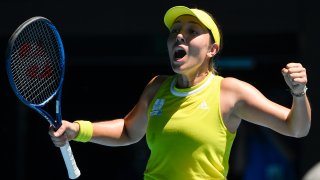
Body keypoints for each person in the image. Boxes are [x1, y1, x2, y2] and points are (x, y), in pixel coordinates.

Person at [49, 5, 311, 179]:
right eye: (175, 31)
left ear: (212, 50)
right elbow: (129, 131)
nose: (179, 37)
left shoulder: (230, 92)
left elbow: (296, 128)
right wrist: (78, 130)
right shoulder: (157, 88)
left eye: (192, 31)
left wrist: (298, 94)